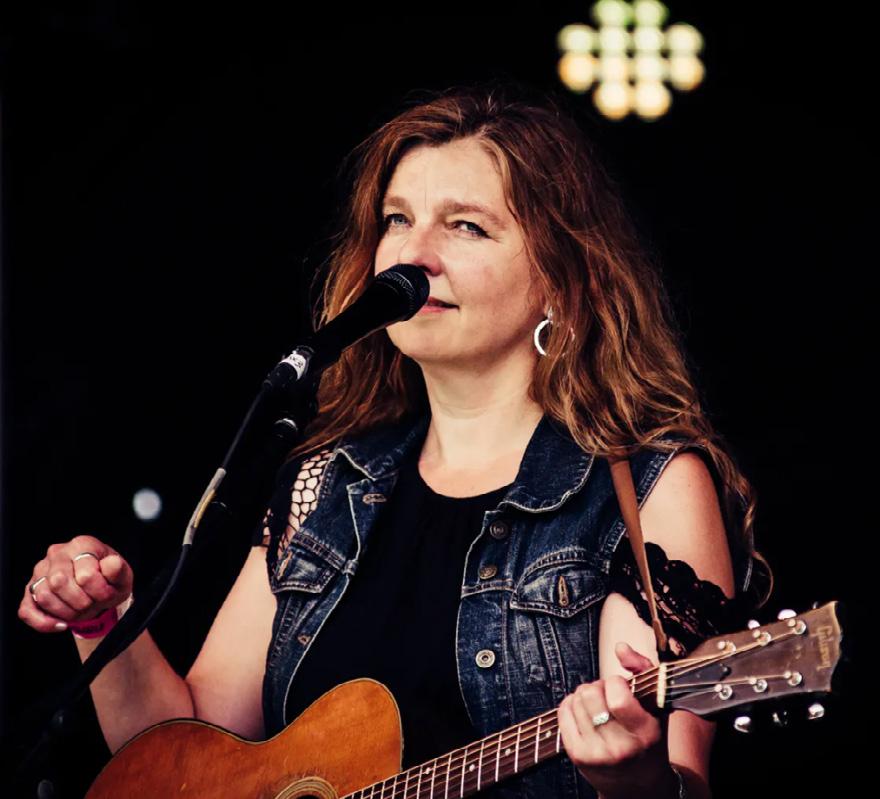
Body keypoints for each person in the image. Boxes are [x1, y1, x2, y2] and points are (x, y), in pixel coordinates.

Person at [19, 81, 772, 799]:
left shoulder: (648, 486)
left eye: (466, 225)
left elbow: (680, 777)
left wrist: (634, 780)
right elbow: (186, 765)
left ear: (563, 282)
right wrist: (100, 621)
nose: (415, 255)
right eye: (398, 219)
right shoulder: (325, 484)